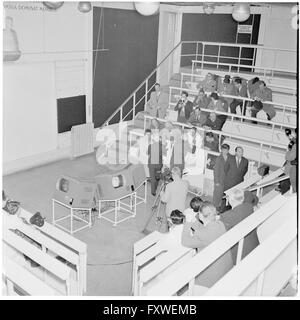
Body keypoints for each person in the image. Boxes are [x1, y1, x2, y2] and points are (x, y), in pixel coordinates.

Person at [181, 201, 233, 288]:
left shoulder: (203, 235)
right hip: (225, 267)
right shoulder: (220, 224)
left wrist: (187, 224)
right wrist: (195, 223)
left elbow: (185, 241)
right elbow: (205, 229)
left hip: (211, 275)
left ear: (200, 215)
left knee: (185, 265)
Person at [220, 189, 259, 264]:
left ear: (231, 200)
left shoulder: (227, 216)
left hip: (241, 252)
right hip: (254, 244)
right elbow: (249, 194)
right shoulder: (248, 205)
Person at [213, 144, 231, 211]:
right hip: (219, 180)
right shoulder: (219, 159)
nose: (225, 151)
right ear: (221, 150)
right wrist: (216, 181)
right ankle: (215, 207)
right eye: (223, 150)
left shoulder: (230, 157)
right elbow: (216, 171)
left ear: (228, 150)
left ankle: (223, 207)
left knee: (224, 195)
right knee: (217, 195)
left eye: (226, 150)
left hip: (227, 180)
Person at [147, 131, 163, 196]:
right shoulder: (162, 146)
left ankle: (153, 191)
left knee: (152, 178)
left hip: (151, 165)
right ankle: (155, 188)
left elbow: (148, 153)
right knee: (157, 177)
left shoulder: (150, 146)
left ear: (153, 139)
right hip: (159, 165)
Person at [284, 128, 297, 193]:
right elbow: (293, 139)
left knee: (287, 177)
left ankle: (284, 188)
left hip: (293, 166)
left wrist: (288, 150)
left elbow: (289, 157)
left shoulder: (296, 145)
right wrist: (289, 135)